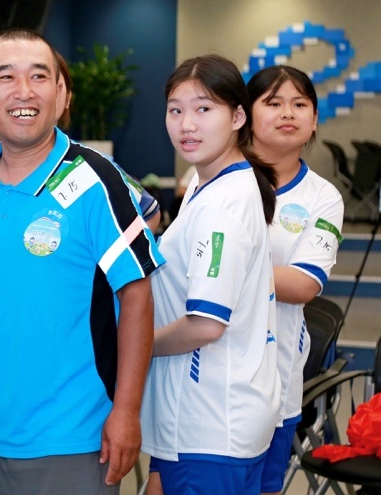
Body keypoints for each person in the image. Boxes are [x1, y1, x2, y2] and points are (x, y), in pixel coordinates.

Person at [0, 28, 164, 495]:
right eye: (6, 77)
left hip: (79, 436)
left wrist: (126, 411)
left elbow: (137, 295)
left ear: (59, 91)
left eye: (39, 76)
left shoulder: (95, 180)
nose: (24, 91)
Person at [140, 54, 281, 495]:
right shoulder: (211, 184)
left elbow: (205, 325)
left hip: (210, 422)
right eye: (175, 110)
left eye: (204, 109)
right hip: (220, 414)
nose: (187, 124)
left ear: (238, 116)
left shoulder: (221, 205)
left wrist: (132, 346)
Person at [247, 65, 344, 495]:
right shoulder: (211, 177)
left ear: (315, 120)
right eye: (273, 102)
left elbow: (303, 285)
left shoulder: (323, 197)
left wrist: (224, 270)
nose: (288, 113)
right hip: (201, 368)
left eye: (300, 104)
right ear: (245, 114)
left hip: (276, 373)